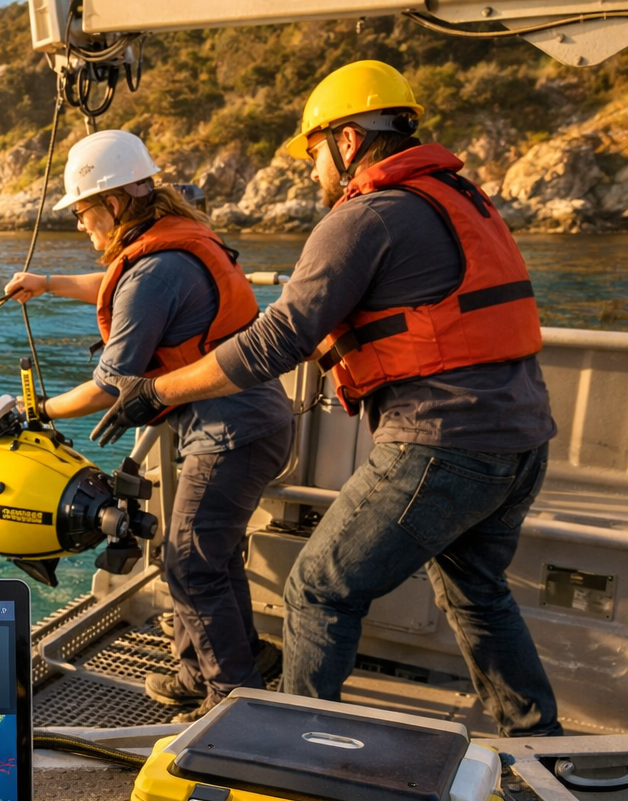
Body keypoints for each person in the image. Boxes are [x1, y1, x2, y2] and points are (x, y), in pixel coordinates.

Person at [88, 61, 562, 736]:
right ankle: (542, 746)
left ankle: (299, 760)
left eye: (314, 154)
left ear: (346, 142)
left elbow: (268, 347)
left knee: (317, 591)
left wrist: (153, 391)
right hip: (522, 439)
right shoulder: (459, 199)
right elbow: (429, 318)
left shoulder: (365, 216)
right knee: (477, 592)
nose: (313, 174)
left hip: (443, 443)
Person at [3, 130, 292, 723]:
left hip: (229, 432)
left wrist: (37, 412)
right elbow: (120, 290)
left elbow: (110, 385)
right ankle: (224, 665)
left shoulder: (155, 269)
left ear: (113, 203)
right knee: (209, 553)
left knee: (189, 561)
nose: (81, 226)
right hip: (251, 420)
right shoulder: (168, 246)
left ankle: (231, 704)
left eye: (83, 212)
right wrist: (48, 282)